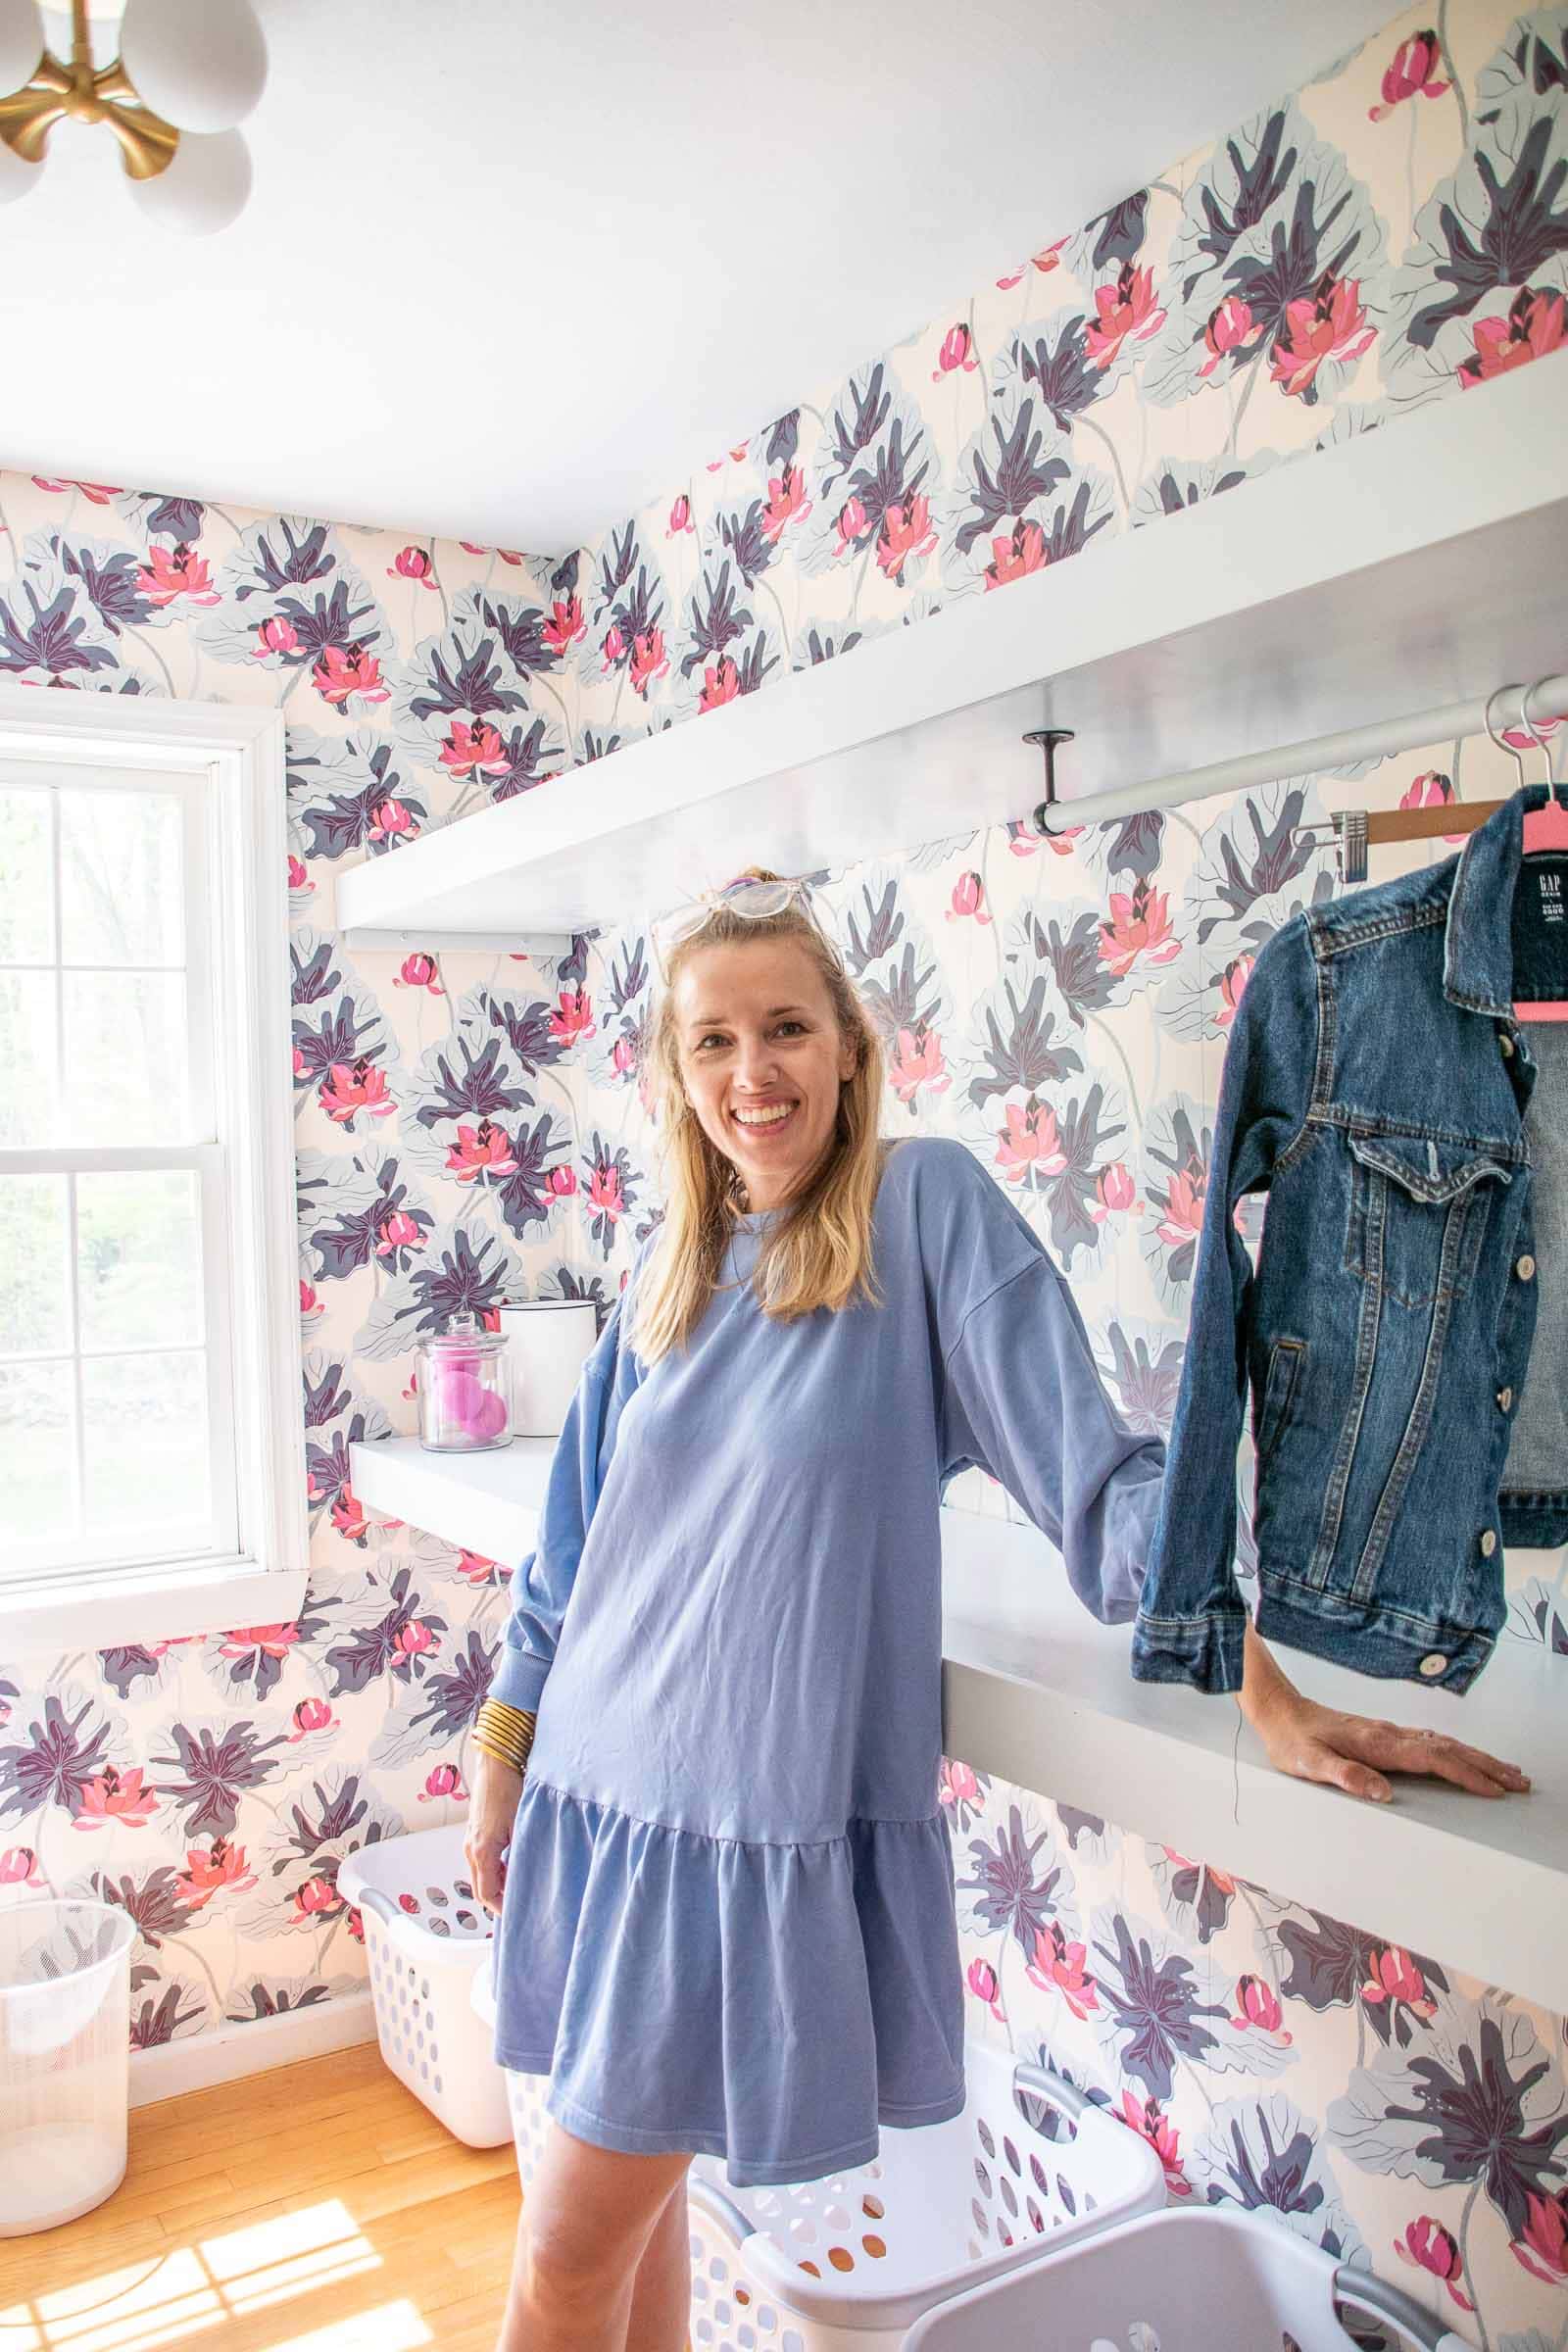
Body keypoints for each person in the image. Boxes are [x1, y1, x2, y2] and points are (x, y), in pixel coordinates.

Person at [464, 867, 1528, 2352]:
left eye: (785, 1028)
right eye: (713, 1041)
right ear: (677, 1075)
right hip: (603, 1797)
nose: (753, 1071)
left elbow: (1092, 1479)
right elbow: (572, 1547)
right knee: (624, 2251)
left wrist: (1266, 1683)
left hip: (743, 1825)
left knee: (569, 2261)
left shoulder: (921, 1209)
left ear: (849, 1047)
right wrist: (502, 1750)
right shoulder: (671, 1263)